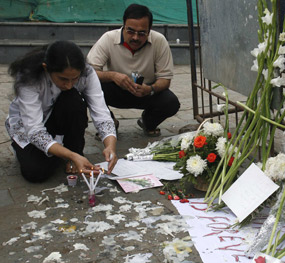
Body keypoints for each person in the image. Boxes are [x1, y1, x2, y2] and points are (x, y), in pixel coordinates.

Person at [6, 40, 118, 183]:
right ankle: (67, 155)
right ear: (46, 68)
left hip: (60, 115)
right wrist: (70, 156)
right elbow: (34, 130)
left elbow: (101, 113)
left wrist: (110, 146)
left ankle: (74, 151)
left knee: (73, 99)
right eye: (63, 79)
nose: (69, 84)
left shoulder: (87, 73)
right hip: (29, 127)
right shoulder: (29, 78)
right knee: (35, 172)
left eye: (75, 78)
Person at [86, 3, 180, 137]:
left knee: (171, 102)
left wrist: (150, 89)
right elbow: (89, 72)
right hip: (117, 90)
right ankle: (109, 122)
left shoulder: (159, 41)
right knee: (89, 88)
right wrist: (113, 76)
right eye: (130, 31)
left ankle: (148, 122)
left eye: (142, 33)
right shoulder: (108, 38)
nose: (135, 37)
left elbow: (165, 80)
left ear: (149, 30)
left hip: (146, 92)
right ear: (123, 26)